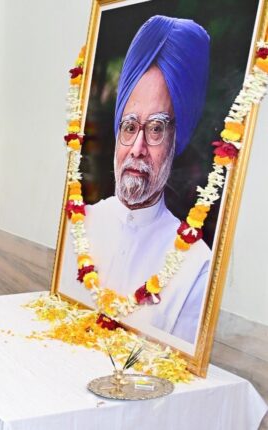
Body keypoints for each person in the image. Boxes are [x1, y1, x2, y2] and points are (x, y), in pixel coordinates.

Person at [61, 15, 211, 344]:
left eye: (156, 128)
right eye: (130, 127)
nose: (138, 149)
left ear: (176, 141)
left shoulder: (196, 264)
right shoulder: (78, 226)